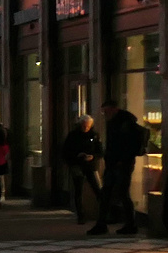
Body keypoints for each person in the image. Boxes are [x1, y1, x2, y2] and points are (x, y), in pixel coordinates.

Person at [91, 100, 144, 235]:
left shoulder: (125, 123)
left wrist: (121, 160)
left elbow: (126, 144)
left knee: (120, 193)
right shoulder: (116, 122)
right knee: (109, 193)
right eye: (103, 112)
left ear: (114, 109)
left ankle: (129, 224)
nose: (105, 114)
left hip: (121, 164)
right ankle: (104, 223)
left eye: (106, 111)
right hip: (115, 163)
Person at [61, 115, 103, 224]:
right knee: (78, 190)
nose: (86, 128)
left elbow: (100, 151)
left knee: (97, 188)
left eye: (88, 126)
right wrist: (77, 155)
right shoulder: (73, 135)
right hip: (77, 165)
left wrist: (93, 156)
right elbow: (66, 151)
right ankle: (80, 215)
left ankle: (104, 214)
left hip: (90, 165)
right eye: (84, 126)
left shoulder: (94, 135)